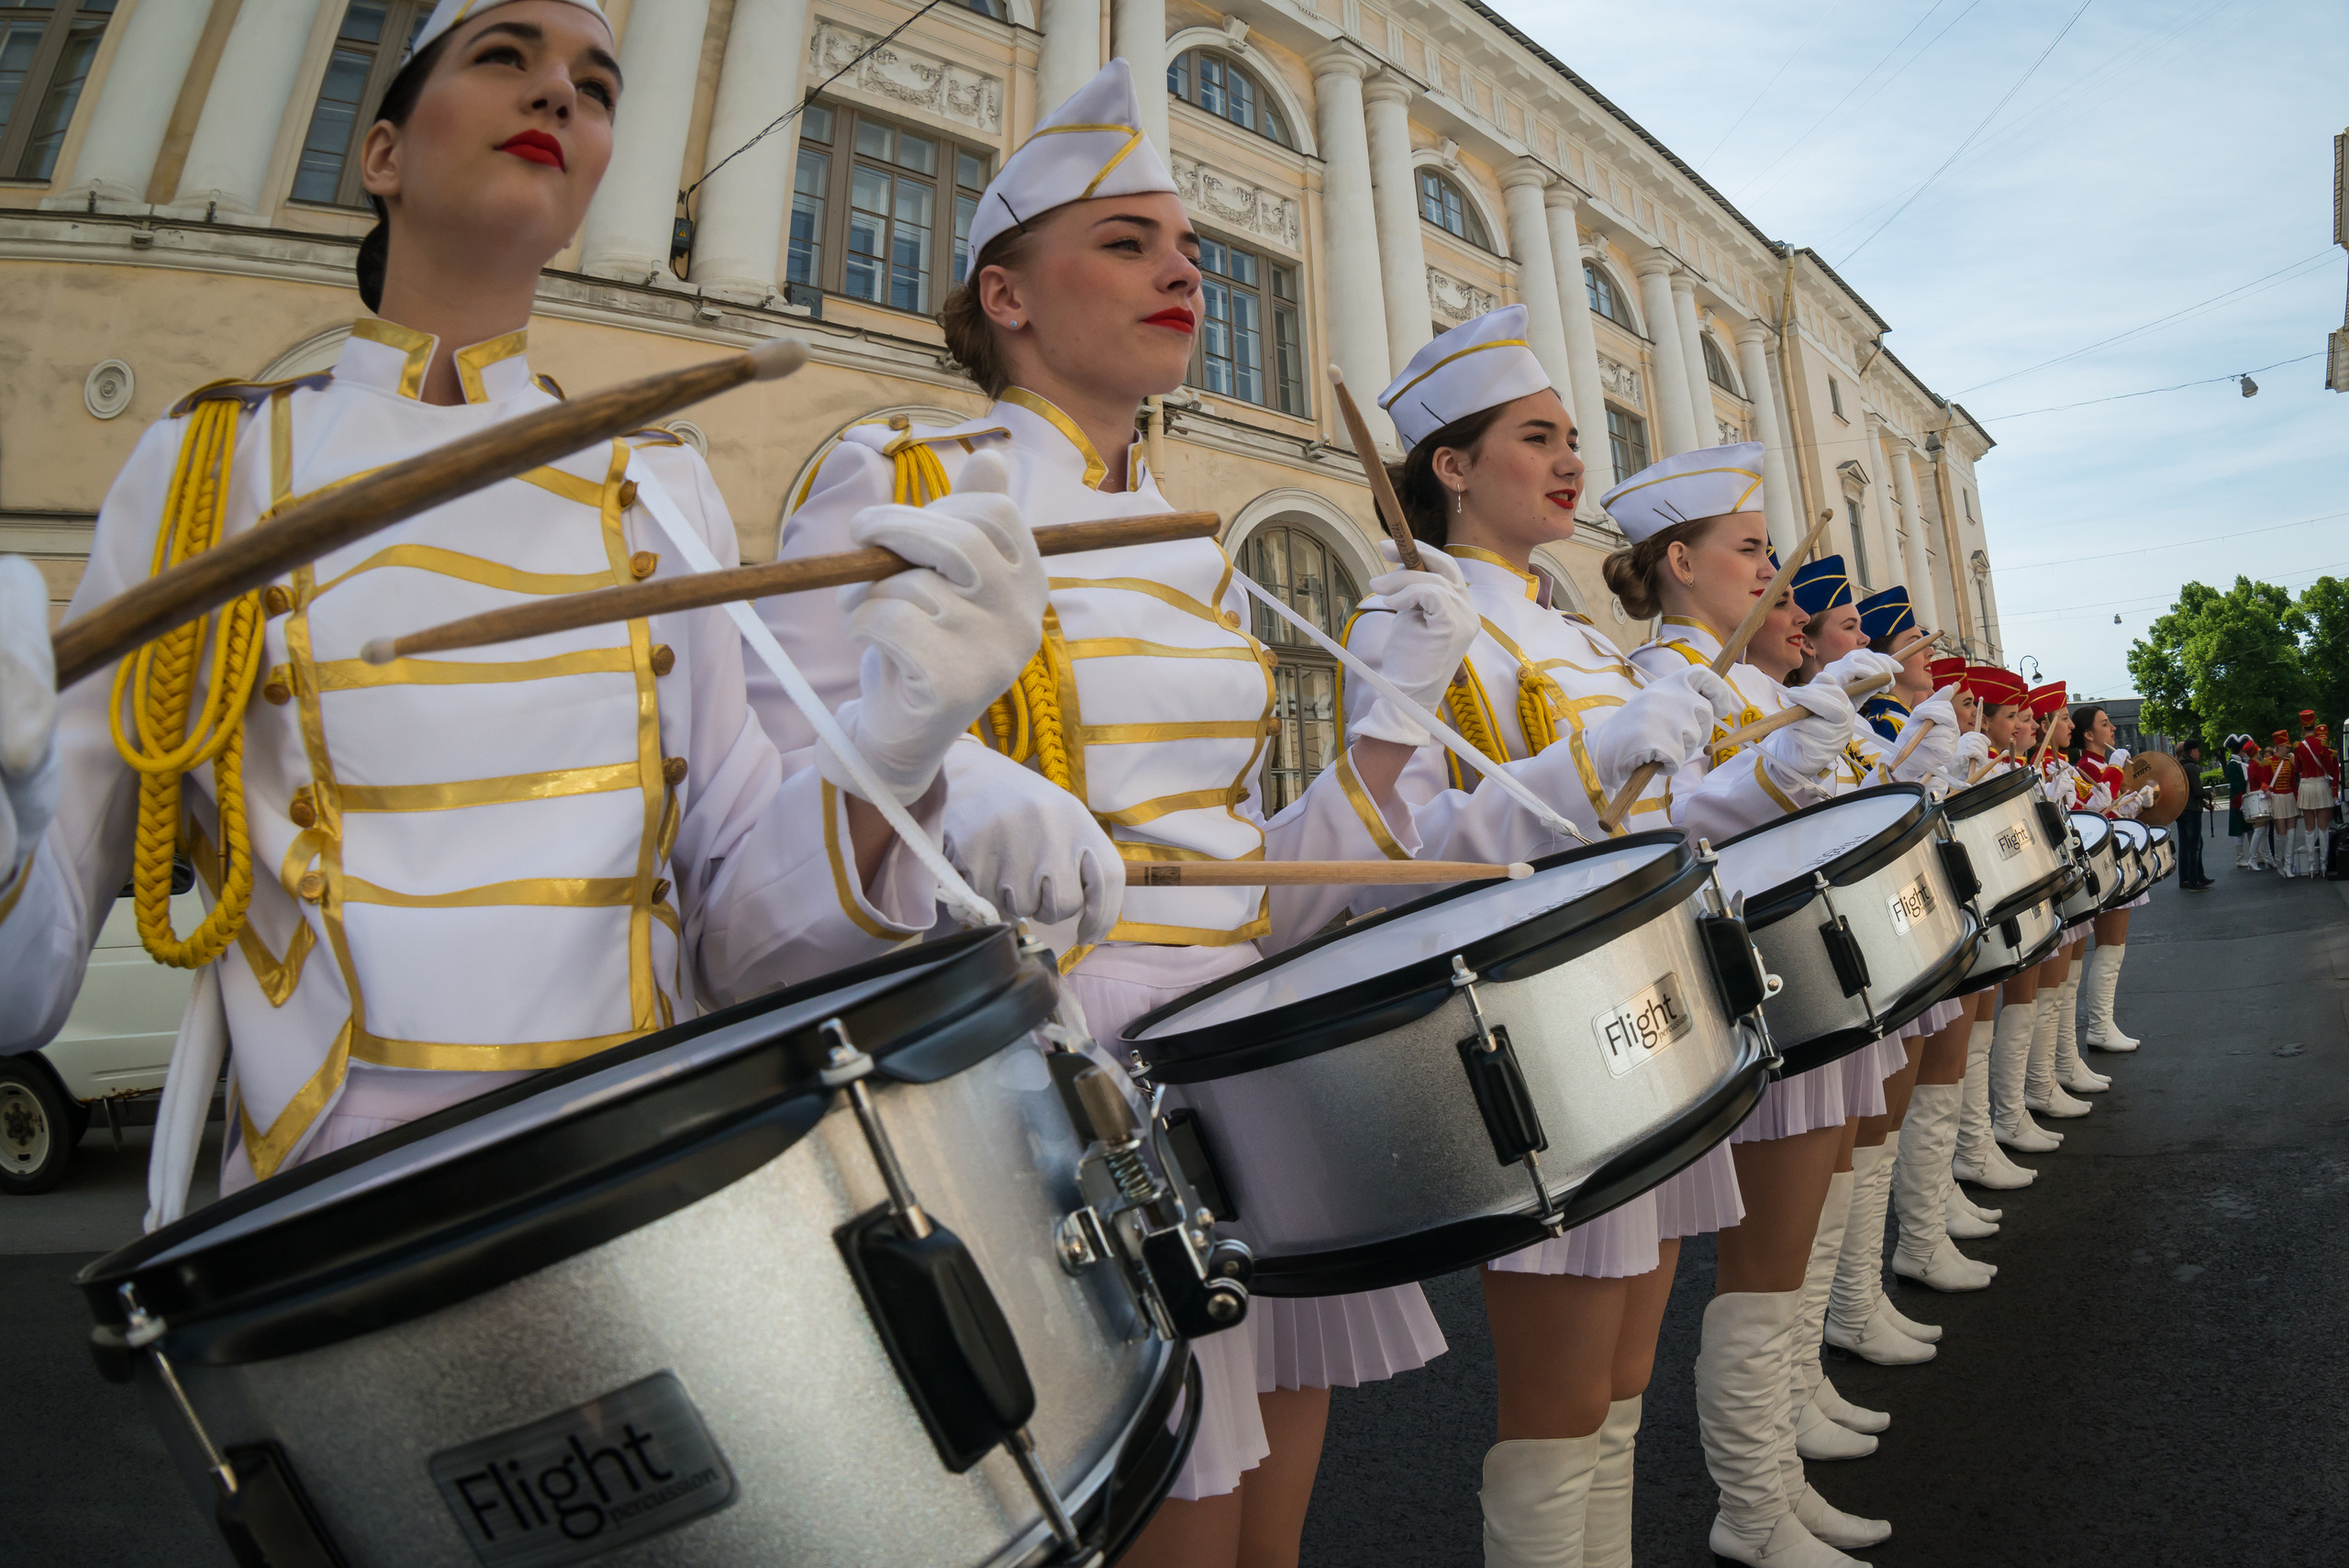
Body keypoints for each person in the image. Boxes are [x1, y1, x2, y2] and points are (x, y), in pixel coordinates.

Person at [0, 1, 1059, 1219]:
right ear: (381, 152)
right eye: (505, 58)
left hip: (656, 1184)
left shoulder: (661, 487)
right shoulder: (205, 471)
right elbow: (24, 988)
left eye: (598, 87)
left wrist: (898, 755)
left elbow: (744, 941)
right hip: (332, 1220)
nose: (560, 95)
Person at [748, 61, 1488, 1568]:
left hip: (1246, 1062)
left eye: (1189, 246)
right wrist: (940, 769)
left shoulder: (1207, 551)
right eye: (1128, 240)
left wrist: (1392, 723)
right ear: (1006, 294)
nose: (1181, 267)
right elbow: (790, 821)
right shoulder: (902, 482)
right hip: (1058, 1087)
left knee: (1267, 1535)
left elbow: (1254, 881)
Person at [1341, 307, 1747, 1568]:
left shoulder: (1573, 628)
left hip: (1641, 985)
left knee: (1625, 1367)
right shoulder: (1417, 610)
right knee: (1561, 1401)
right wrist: (1600, 764)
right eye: (1537, 438)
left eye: (1574, 438)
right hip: (1546, 1015)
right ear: (1452, 466)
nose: (1573, 461)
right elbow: (1397, 860)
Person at [1610, 447, 1959, 1568]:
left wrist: (1906, 747)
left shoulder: (1751, 683)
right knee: (1762, 1254)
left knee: (1807, 1225)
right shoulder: (1656, 673)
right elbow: (1660, 828)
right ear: (1680, 562)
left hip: (1809, 955)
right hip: (1746, 966)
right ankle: (1752, 1500)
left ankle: (1781, 1445)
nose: (1784, 580)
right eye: (1756, 551)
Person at [2070, 705, 2156, 1052]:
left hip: (2116, 851)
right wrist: (2118, 771)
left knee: (2115, 948)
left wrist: (2140, 801)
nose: (2113, 730)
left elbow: (2115, 809)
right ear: (2088, 734)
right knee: (2109, 946)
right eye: (2105, 725)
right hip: (2103, 860)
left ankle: (2104, 1023)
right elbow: (2096, 810)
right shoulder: (2086, 766)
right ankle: (2099, 1026)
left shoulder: (2103, 766)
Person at [2293, 710, 2335, 876]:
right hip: (2321, 784)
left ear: (2303, 727)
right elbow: (2330, 769)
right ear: (2315, 724)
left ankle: (2311, 866)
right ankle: (2324, 865)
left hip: (2306, 786)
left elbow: (2297, 768)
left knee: (2309, 828)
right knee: (2323, 828)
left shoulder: (2298, 746)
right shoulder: (2322, 744)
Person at [2176, 739, 2211, 888]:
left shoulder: (2179, 766)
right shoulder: (2192, 767)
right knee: (2195, 846)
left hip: (2181, 810)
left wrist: (2204, 804)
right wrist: (2208, 795)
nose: (2199, 753)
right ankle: (2194, 879)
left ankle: (2187, 878)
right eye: (2198, 750)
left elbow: (2188, 792)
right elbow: (2197, 791)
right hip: (2191, 812)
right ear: (2192, 751)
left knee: (2185, 845)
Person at [2266, 728, 2302, 878]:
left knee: (2292, 833)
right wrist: (2266, 789)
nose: (2288, 749)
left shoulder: (2289, 762)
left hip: (2289, 799)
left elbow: (2294, 784)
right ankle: (2279, 861)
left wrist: (2297, 799)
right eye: (2286, 747)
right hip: (2277, 799)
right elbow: (2264, 781)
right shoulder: (2268, 762)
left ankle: (2289, 865)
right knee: (2281, 833)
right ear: (2279, 747)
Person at [2225, 735, 2255, 870]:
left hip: (2245, 799)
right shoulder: (2232, 764)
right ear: (2240, 751)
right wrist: (2241, 801)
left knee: (2250, 829)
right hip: (2238, 801)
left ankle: (2254, 855)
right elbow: (2236, 785)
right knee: (2240, 831)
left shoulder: (2240, 763)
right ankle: (2240, 858)